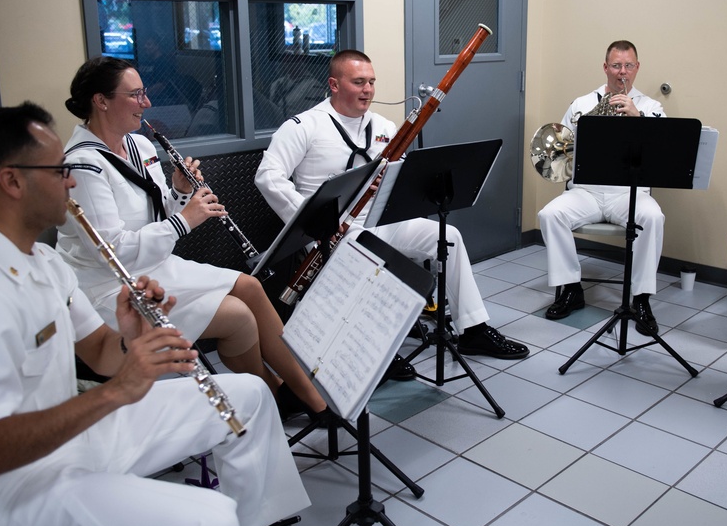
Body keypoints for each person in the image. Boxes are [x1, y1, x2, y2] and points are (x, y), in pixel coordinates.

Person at [0, 102, 309, 526]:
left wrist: (132, 337)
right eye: (58, 171)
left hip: (77, 431)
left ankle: (256, 521)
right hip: (13, 487)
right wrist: (115, 394)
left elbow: (101, 353)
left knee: (250, 398)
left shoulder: (42, 260)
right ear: (12, 181)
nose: (70, 180)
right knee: (211, 518)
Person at [56, 56, 327, 421]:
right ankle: (277, 394)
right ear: (101, 101)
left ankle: (304, 392)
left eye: (145, 93)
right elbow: (114, 253)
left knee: (249, 286)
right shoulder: (83, 165)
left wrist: (181, 193)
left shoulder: (141, 147)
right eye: (135, 95)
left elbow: (157, 213)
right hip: (111, 289)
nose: (146, 103)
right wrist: (186, 219)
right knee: (238, 317)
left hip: (154, 267)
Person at [255, 49, 529, 363]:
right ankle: (376, 353)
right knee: (366, 254)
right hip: (334, 233)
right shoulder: (304, 126)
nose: (368, 89)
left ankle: (473, 329)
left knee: (448, 236)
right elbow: (268, 177)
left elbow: (397, 177)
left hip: (380, 221)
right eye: (358, 82)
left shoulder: (384, 126)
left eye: (371, 82)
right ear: (333, 84)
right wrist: (315, 219)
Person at [537, 40, 665, 334]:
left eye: (628, 66)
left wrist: (637, 117)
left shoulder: (651, 106)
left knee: (654, 218)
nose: (623, 72)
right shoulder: (581, 104)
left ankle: (641, 299)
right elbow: (561, 152)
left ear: (637, 68)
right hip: (587, 191)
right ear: (606, 67)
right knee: (550, 215)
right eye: (616, 65)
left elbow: (661, 151)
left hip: (629, 192)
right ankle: (571, 288)